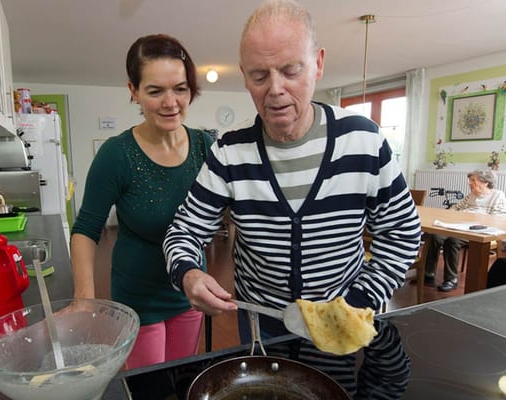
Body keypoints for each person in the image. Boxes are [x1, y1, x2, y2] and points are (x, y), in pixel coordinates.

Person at [163, 0, 420, 341]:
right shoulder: (229, 150)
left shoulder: (364, 140)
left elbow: (402, 233)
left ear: (318, 64)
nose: (275, 89)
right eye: (259, 75)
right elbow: (183, 231)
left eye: (290, 71)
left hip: (345, 323)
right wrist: (188, 273)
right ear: (244, 77)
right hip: (261, 328)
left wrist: (359, 301)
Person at [69, 34, 214, 369]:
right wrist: (84, 298)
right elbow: (87, 228)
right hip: (137, 298)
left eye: (180, 88)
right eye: (155, 91)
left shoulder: (205, 147)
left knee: (180, 378)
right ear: (133, 90)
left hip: (188, 291)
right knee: (148, 385)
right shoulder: (117, 155)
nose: (171, 102)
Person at [422, 169, 506, 292]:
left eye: (473, 180)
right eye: (470, 180)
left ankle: (451, 279)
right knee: (434, 235)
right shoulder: (471, 195)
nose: (469, 183)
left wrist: (477, 218)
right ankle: (428, 273)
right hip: (459, 226)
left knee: (452, 241)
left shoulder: (497, 196)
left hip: (478, 231)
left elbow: (502, 217)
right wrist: (450, 215)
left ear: (485, 182)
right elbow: (456, 208)